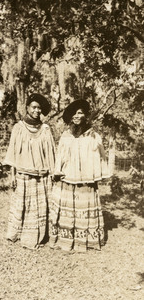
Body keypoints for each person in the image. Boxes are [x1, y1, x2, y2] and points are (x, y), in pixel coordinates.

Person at [49, 99, 109, 252]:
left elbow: (102, 156)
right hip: (68, 178)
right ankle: (67, 239)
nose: (77, 116)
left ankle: (86, 240)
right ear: (70, 117)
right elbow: (60, 156)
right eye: (74, 113)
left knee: (84, 208)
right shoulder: (66, 136)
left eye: (80, 113)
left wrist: (99, 173)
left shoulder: (93, 136)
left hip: (86, 181)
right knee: (68, 209)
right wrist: (57, 172)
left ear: (85, 116)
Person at [4, 93, 55, 249]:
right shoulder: (19, 128)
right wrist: (12, 175)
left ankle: (41, 235)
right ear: (27, 108)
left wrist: (52, 174)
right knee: (24, 205)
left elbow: (51, 153)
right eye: (34, 107)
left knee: (40, 207)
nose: (37, 110)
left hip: (42, 176)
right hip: (24, 175)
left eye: (39, 108)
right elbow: (12, 152)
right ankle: (20, 234)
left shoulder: (45, 129)